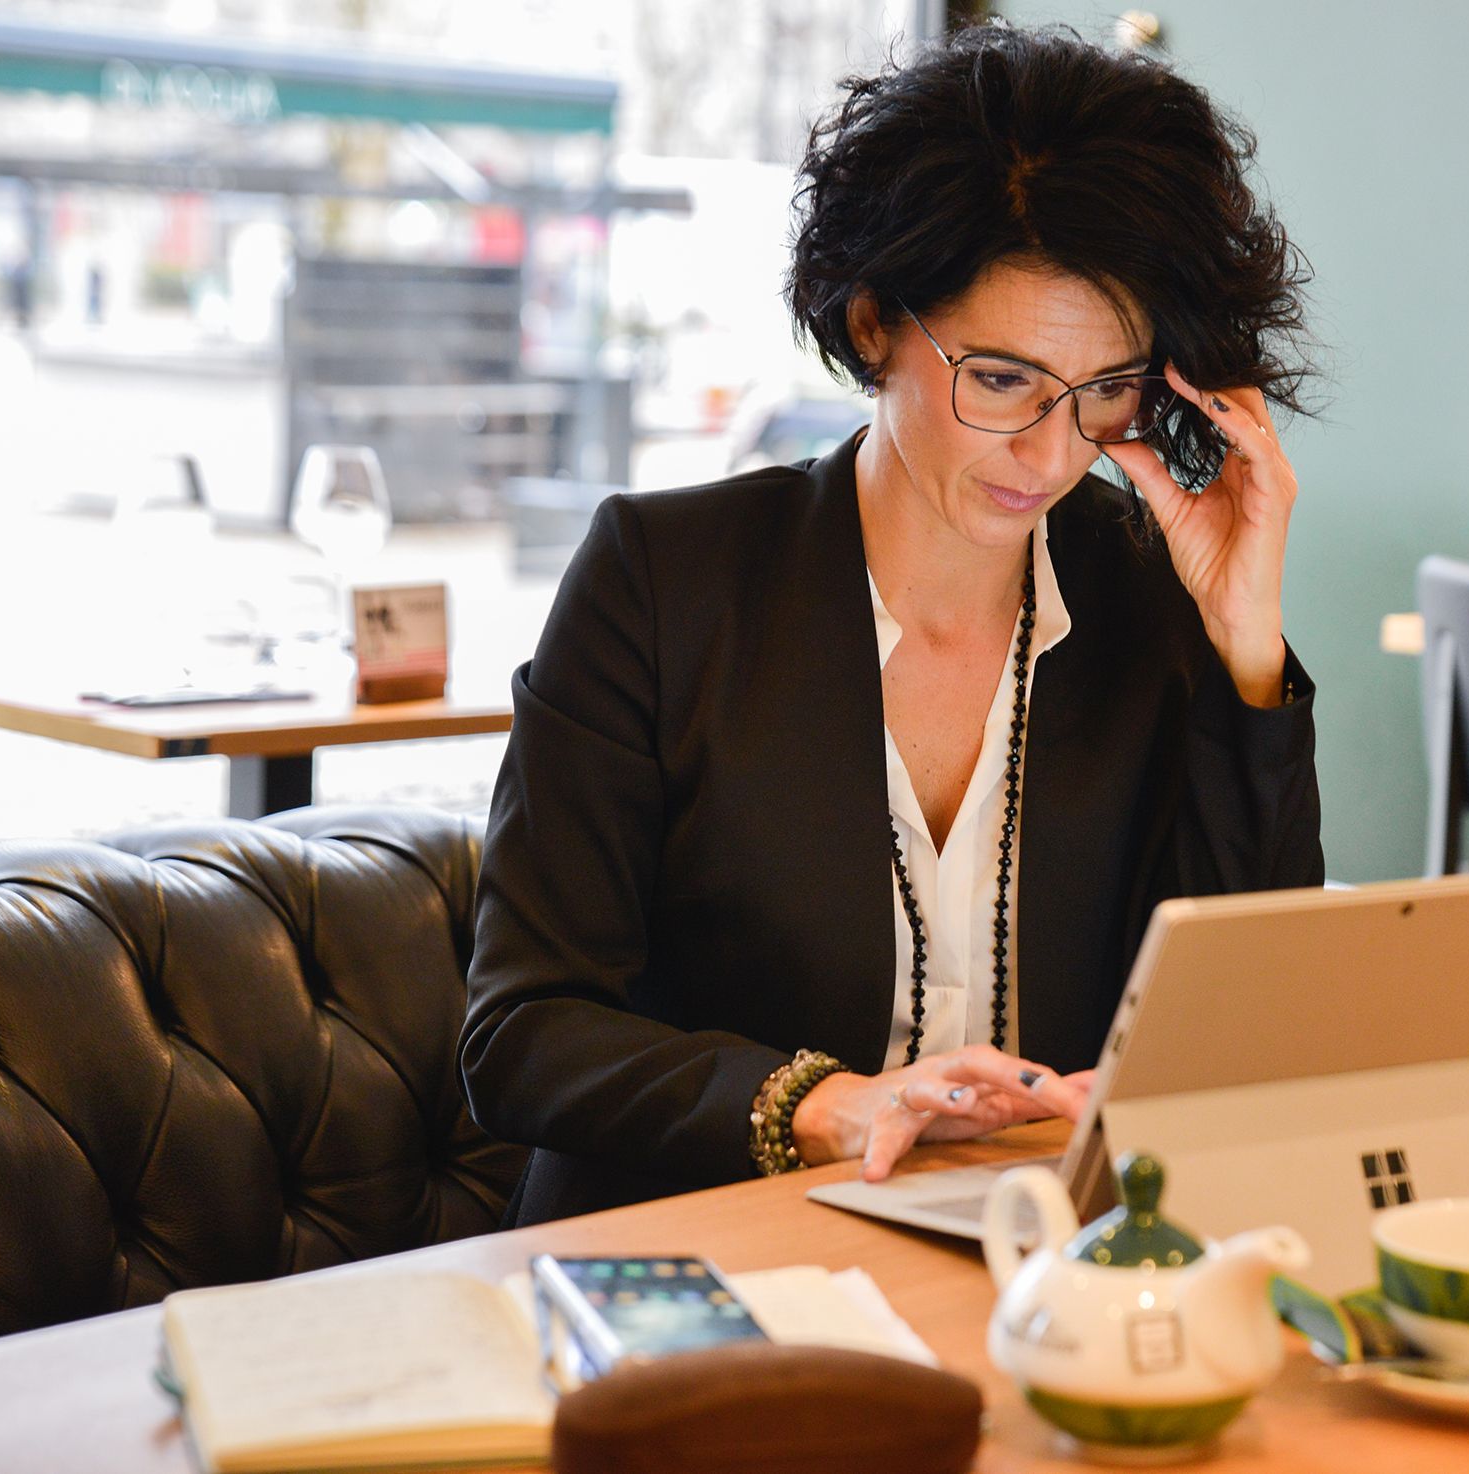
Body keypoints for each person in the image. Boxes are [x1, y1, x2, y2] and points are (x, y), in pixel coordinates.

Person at [463, 23, 1325, 1226]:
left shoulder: (1146, 602)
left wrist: (1245, 644)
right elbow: (522, 1028)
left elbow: (1252, 1016)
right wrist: (820, 1105)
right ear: (874, 322)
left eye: (1104, 392)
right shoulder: (665, 582)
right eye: (1003, 378)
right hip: (694, 1256)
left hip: (1032, 1269)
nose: (1049, 450)